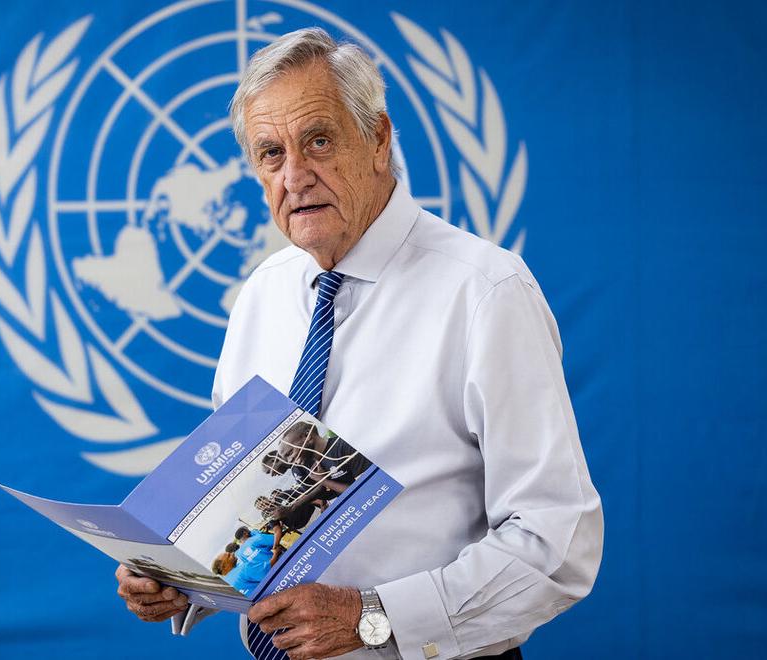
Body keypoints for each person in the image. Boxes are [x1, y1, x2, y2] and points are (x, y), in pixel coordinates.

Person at [116, 27, 603, 660]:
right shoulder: (262, 293)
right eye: (271, 154)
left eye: (318, 141)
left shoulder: (485, 291)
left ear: (378, 138)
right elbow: (253, 516)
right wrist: (182, 577)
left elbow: (557, 541)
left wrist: (375, 616)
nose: (295, 176)